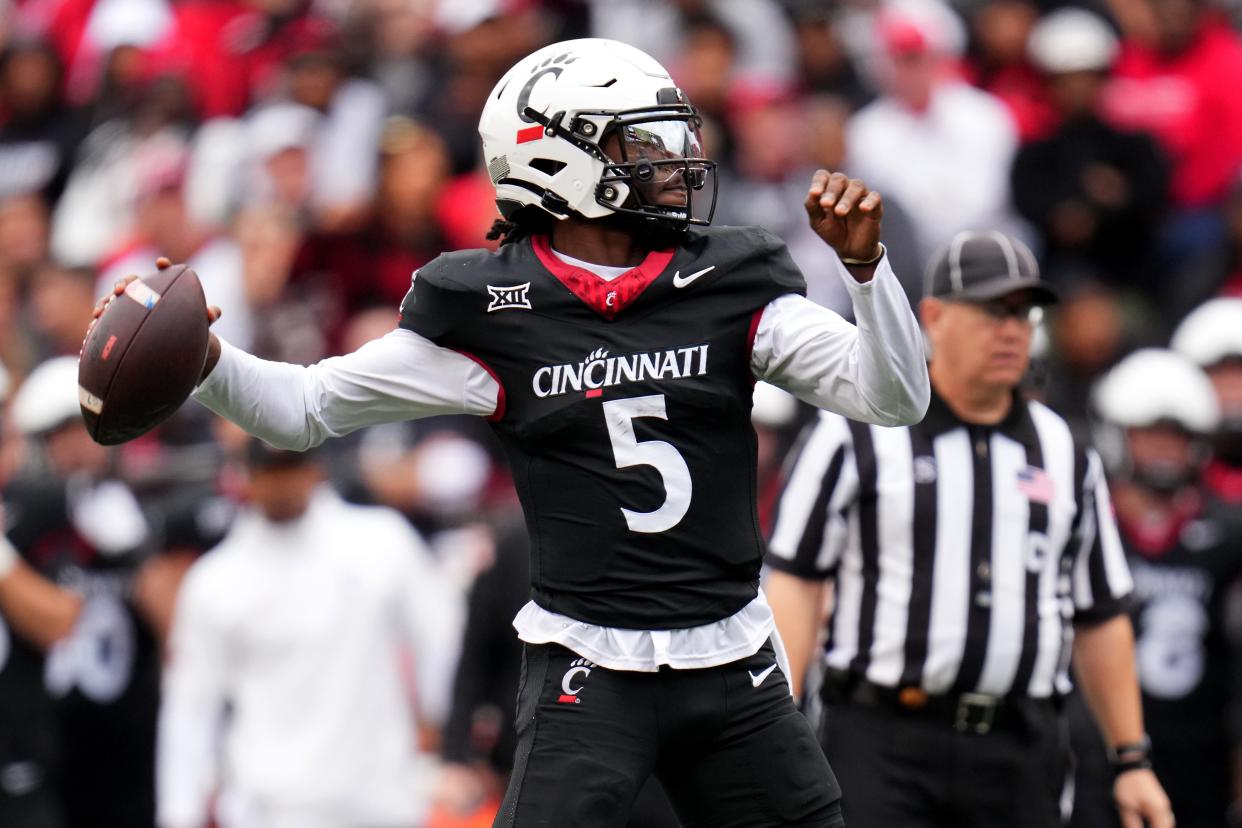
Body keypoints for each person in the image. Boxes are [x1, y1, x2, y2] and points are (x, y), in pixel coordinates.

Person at [98, 38, 930, 827]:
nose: (675, 159)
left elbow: (891, 396)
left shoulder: (729, 277)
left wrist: (868, 272)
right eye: (642, 142)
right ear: (556, 158)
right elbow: (303, 407)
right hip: (590, 664)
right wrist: (205, 357)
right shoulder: (493, 309)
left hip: (732, 653)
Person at [765, 230, 1173, 828]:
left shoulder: (1065, 449)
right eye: (990, 311)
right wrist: (785, 724)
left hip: (1019, 747)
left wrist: (1131, 757)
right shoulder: (855, 430)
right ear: (933, 317)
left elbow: (1099, 611)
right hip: (881, 737)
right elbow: (796, 582)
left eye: (1023, 313)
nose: (1011, 330)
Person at [156, 438, 460, 828]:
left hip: (381, 797)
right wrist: (180, 813)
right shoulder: (216, 581)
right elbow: (190, 706)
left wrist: (448, 738)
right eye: (270, 472)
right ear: (246, 478)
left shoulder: (381, 543)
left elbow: (440, 641)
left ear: (316, 469)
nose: (283, 484)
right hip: (271, 808)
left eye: (292, 469)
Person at [0, 356, 182, 828]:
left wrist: (137, 553)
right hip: (47, 747)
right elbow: (52, 620)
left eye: (87, 430)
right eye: (61, 436)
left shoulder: (142, 510)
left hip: (131, 744)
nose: (78, 449)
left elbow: (182, 632)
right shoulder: (21, 526)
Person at [1067, 349, 1242, 828]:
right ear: (1118, 433)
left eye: (1177, 436)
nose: (1164, 449)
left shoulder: (1228, 534)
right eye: (1150, 434)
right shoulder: (1084, 523)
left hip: (1199, 748)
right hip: (1096, 751)